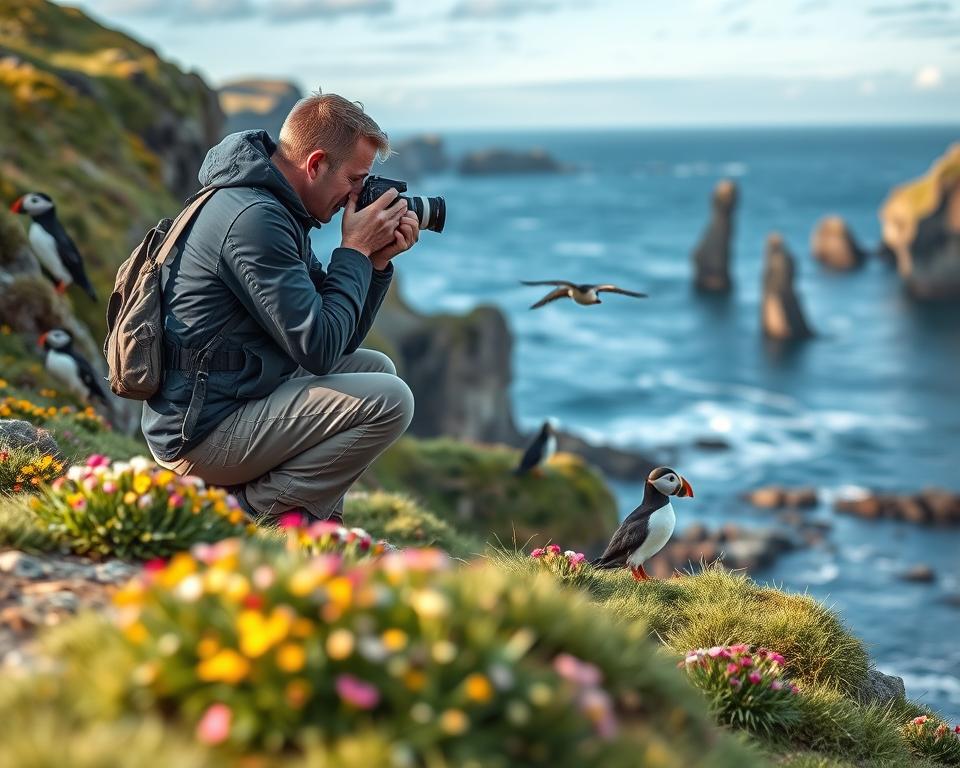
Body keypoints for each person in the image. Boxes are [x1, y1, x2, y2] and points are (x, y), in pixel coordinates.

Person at [143, 92, 417, 524]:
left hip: (235, 396)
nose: (357, 197)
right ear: (316, 164)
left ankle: (312, 519)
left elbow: (336, 337)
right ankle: (252, 516)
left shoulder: (274, 205)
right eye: (355, 180)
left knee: (376, 370)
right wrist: (354, 251)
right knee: (391, 401)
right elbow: (320, 349)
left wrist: (376, 263)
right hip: (200, 434)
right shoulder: (254, 218)